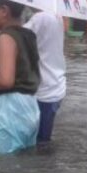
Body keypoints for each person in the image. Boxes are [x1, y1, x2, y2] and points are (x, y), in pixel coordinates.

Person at [0, 0, 41, 154]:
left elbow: (6, 80)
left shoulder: (6, 38)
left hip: (10, 110)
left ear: (3, 11)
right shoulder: (28, 35)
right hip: (30, 106)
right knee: (25, 157)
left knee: (5, 164)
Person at [24, 10, 66, 144]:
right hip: (56, 85)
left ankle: (43, 163)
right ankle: (46, 163)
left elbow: (19, 36)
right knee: (43, 138)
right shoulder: (57, 16)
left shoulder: (40, 18)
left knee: (38, 140)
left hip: (45, 89)